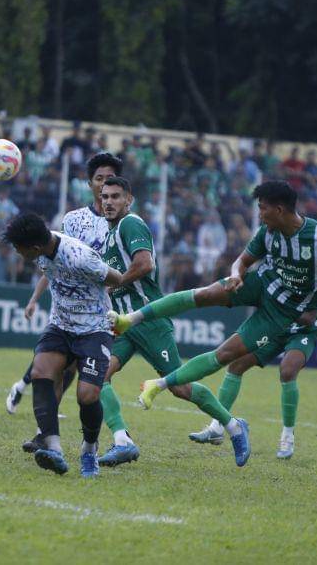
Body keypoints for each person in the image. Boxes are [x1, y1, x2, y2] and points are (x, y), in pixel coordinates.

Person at [113, 180, 317, 460]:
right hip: (260, 284)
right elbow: (242, 260)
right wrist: (237, 275)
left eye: (263, 208)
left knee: (226, 355)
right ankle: (130, 319)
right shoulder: (267, 232)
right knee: (204, 294)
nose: (259, 213)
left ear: (279, 209)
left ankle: (159, 384)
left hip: (282, 314)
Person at [95, 177, 249, 467]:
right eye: (105, 197)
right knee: (99, 376)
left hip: (147, 319)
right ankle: (122, 441)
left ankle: (233, 426)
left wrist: (113, 287)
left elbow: (144, 264)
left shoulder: (131, 224)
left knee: (179, 386)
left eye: (116, 196)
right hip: (124, 326)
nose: (109, 202)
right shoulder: (109, 231)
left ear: (129, 200)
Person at [5, 152, 121, 453]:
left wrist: (122, 314)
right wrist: (34, 299)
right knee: (46, 370)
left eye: (110, 180)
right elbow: (51, 263)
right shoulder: (72, 221)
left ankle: (105, 440)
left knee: (88, 392)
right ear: (90, 183)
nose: (104, 186)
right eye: (99, 179)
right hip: (63, 318)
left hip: (98, 319)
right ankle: (48, 438)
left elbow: (121, 275)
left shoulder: (127, 226)